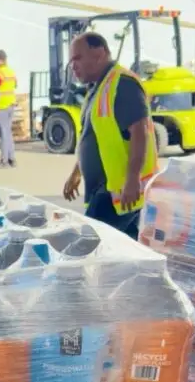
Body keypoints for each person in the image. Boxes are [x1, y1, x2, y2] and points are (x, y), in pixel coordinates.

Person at [62, 32, 158, 239]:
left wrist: (132, 178)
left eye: (77, 58)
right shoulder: (97, 89)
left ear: (99, 53)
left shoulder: (122, 83)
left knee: (90, 244)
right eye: (71, 61)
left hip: (118, 190)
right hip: (107, 189)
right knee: (128, 249)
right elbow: (95, 137)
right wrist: (76, 172)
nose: (73, 66)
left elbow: (140, 133)